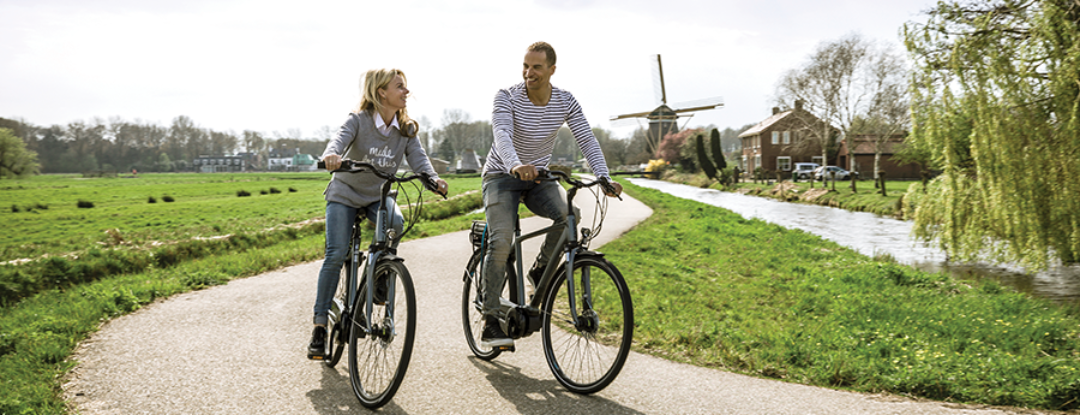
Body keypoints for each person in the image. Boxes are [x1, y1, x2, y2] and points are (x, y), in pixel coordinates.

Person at [479, 41, 622, 349]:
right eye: (526, 66)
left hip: (538, 178)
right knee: (502, 240)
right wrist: (515, 164)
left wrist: (604, 177)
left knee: (569, 217)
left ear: (552, 70)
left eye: (537, 67)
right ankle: (490, 320)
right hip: (501, 176)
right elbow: (501, 133)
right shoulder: (507, 96)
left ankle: (541, 269)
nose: (529, 73)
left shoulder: (565, 100)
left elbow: (586, 137)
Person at [308, 68, 448, 359]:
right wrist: (332, 156)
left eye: (405, 87)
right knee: (335, 253)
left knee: (396, 220)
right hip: (345, 194)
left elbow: (419, 159)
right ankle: (320, 326)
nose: (406, 92)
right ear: (381, 91)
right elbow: (338, 140)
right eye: (400, 86)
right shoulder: (358, 120)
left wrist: (432, 179)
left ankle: (378, 274)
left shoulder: (405, 129)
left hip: (377, 195)